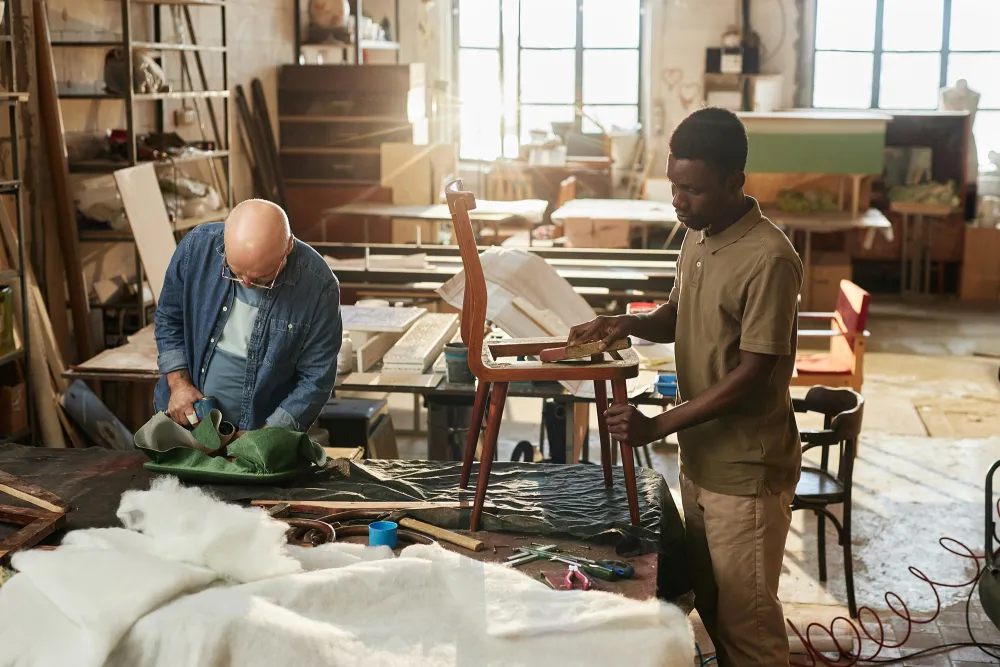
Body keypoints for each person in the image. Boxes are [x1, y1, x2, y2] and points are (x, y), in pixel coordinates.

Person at [569, 108, 803, 666]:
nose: (678, 200)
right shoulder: (700, 235)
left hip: (745, 471)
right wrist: (627, 322)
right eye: (673, 185)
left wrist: (657, 426)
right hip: (702, 460)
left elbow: (753, 376)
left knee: (748, 627)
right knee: (716, 608)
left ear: (733, 182)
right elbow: (679, 312)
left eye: (692, 189)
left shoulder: (768, 258)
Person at [154, 199, 342, 433]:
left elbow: (316, 378)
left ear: (288, 246)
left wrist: (265, 437)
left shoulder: (319, 286)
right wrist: (178, 384)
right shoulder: (197, 247)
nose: (246, 282)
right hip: (185, 421)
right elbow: (169, 318)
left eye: (262, 277)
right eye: (235, 272)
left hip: (261, 431)